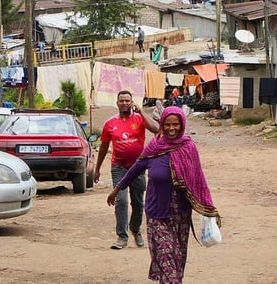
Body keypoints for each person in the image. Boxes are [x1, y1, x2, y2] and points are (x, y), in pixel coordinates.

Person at [107, 106, 220, 284]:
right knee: (166, 255)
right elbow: (135, 168)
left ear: (182, 124)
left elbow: (198, 178)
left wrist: (207, 205)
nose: (171, 128)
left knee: (177, 259)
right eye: (167, 124)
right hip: (157, 213)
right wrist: (117, 189)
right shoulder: (154, 148)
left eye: (175, 124)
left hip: (181, 214)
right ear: (162, 124)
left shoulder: (188, 147)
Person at [94, 90, 159, 249]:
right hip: (119, 168)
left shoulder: (139, 118)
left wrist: (142, 111)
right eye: (121, 101)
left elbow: (156, 128)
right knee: (121, 201)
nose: (124, 103)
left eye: (127, 101)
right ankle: (121, 237)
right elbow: (103, 147)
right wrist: (97, 169)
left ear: (132, 102)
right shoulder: (110, 123)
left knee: (138, 203)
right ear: (117, 103)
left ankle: (135, 229)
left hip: (138, 168)